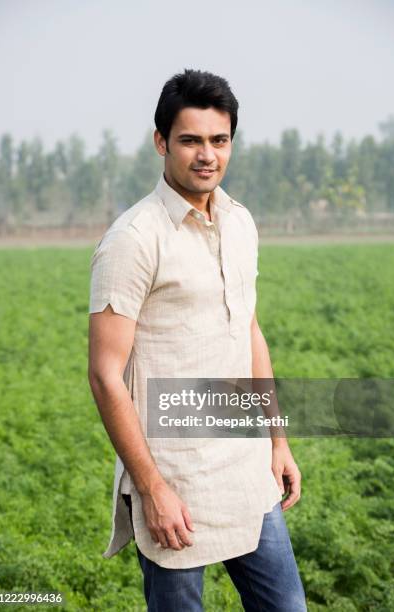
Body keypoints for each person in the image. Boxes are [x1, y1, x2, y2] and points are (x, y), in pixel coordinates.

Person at [88, 68, 307, 611]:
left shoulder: (240, 222)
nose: (206, 154)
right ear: (161, 142)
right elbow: (104, 374)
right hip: (175, 477)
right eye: (190, 140)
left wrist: (277, 441)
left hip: (246, 470)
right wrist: (153, 489)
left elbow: (248, 329)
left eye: (219, 140)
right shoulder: (134, 241)